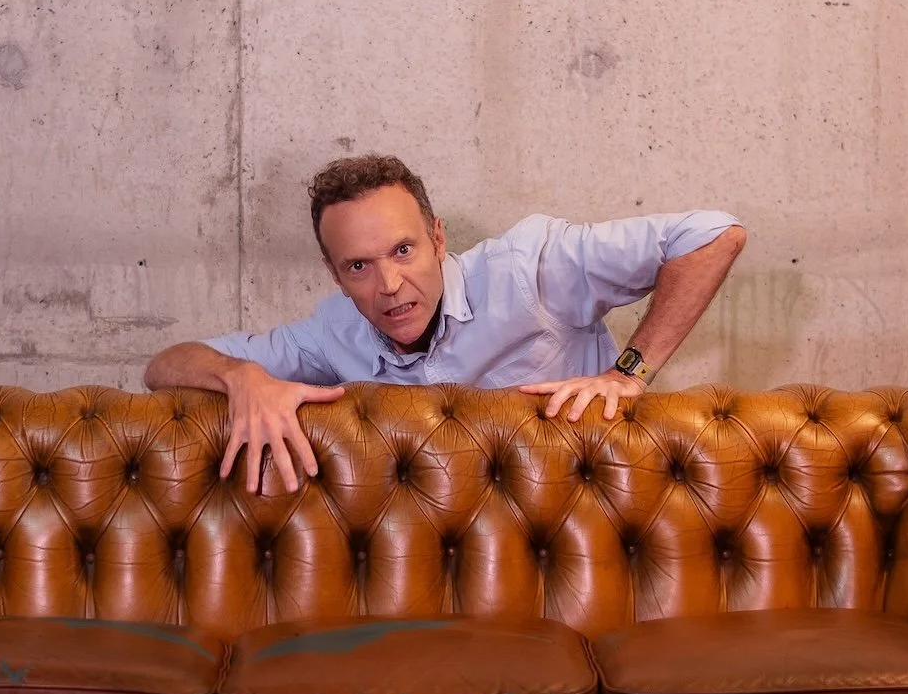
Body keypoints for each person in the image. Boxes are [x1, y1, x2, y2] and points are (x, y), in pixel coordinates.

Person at [144, 155, 745, 494]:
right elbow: (164, 365)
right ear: (333, 273)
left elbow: (713, 234)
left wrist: (627, 373)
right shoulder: (332, 332)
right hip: (436, 542)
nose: (387, 286)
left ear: (438, 238)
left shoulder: (529, 269)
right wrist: (240, 376)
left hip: (580, 511)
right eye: (359, 265)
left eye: (404, 251)